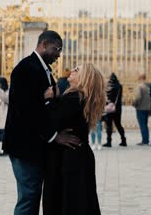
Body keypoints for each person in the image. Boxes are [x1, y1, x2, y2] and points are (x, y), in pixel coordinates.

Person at [2, 30, 80, 215]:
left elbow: (46, 104)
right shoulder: (26, 69)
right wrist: (54, 136)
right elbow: (26, 109)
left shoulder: (43, 69)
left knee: (33, 195)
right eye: (56, 49)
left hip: (35, 144)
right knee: (29, 196)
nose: (58, 55)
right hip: (24, 145)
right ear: (44, 45)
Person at [43, 64, 105, 215]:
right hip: (78, 154)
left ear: (85, 78)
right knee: (80, 202)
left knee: (69, 203)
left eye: (77, 70)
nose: (71, 71)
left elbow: (52, 120)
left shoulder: (74, 97)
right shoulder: (80, 97)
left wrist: (48, 100)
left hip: (70, 156)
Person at [102, 73, 127, 147]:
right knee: (118, 124)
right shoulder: (119, 86)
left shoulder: (109, 87)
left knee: (109, 125)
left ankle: (109, 141)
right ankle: (123, 140)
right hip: (118, 108)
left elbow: (106, 97)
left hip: (109, 108)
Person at [132, 74, 151, 146]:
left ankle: (145, 140)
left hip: (140, 108)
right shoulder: (148, 87)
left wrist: (134, 104)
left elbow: (138, 97)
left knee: (142, 125)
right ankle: (146, 139)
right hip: (147, 108)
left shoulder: (140, 86)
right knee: (145, 124)